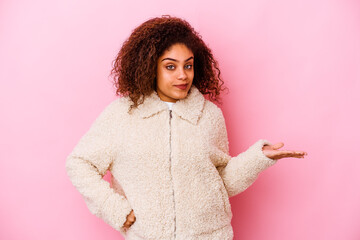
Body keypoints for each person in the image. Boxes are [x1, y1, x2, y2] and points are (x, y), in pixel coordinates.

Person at [65, 15, 307, 240]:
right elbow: (79, 163)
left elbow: (219, 182)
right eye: (170, 66)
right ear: (151, 67)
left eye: (188, 66)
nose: (182, 75)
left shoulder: (209, 115)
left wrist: (258, 158)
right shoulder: (122, 115)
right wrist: (115, 209)